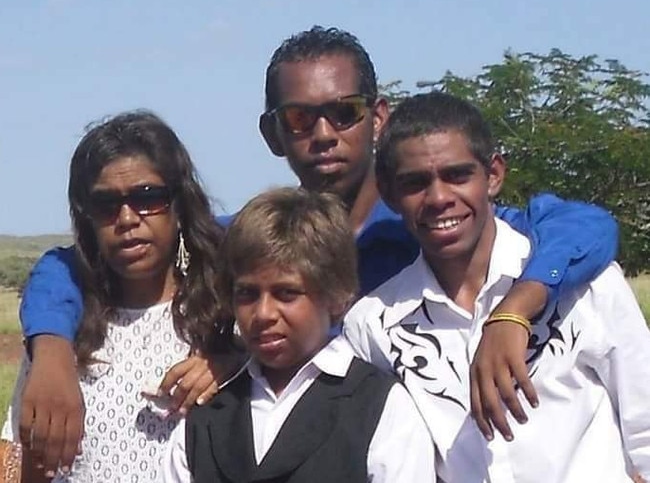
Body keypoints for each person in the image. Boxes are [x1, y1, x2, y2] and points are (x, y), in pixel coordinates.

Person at [18, 26, 618, 473]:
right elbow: (62, 268)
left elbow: (583, 226)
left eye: (345, 112)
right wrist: (49, 355)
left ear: (378, 118)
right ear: (272, 133)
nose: (325, 133)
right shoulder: (255, 240)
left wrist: (515, 310)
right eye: (301, 118)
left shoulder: (427, 216)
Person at [344, 91, 650, 482]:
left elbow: (645, 426)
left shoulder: (586, 288)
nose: (439, 198)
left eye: (457, 175)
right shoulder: (374, 326)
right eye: (415, 183)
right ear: (388, 193)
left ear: (493, 176)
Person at [2, 111, 235, 482]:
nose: (127, 218)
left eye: (148, 197)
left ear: (179, 206)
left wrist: (232, 361)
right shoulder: (60, 339)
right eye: (106, 205)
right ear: (87, 219)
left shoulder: (224, 321)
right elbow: (33, 470)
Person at [162, 187, 434, 483]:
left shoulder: (379, 408)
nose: (263, 313)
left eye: (286, 294)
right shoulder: (205, 423)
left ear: (335, 295)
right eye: (247, 294)